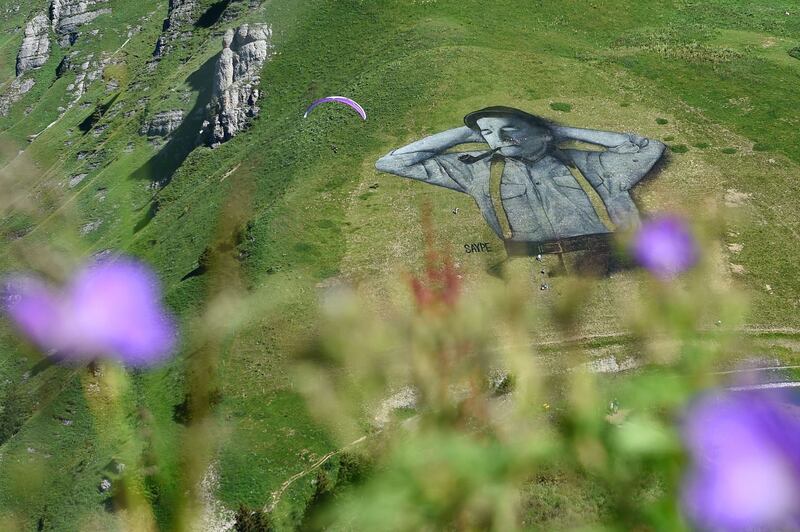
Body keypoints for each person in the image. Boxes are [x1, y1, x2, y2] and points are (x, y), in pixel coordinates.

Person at [375, 106, 665, 255]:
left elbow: (648, 147)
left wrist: (563, 131)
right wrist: (464, 133)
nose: (498, 138)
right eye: (488, 132)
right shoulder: (477, 170)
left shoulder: (592, 162)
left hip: (616, 259)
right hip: (536, 271)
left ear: (539, 130)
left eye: (510, 129)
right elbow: (391, 162)